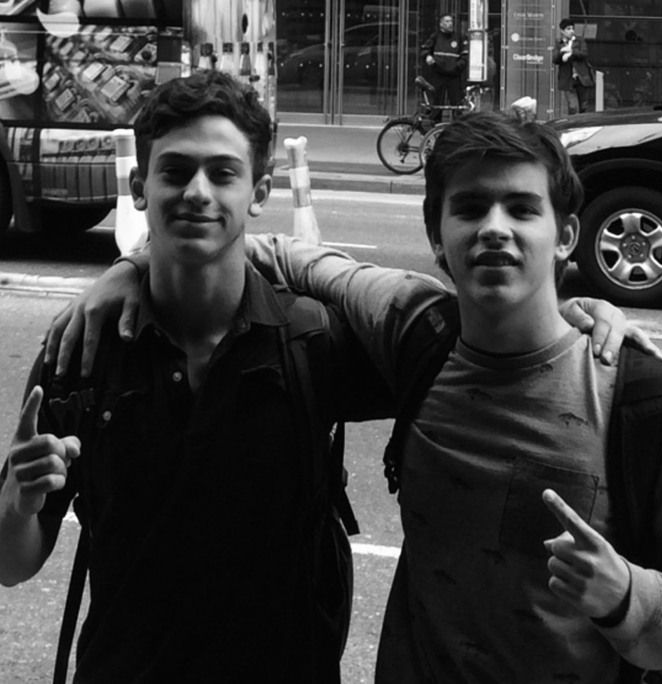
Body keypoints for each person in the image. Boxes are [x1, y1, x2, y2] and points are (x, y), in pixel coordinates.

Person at [43, 126, 662, 679]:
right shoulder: (415, 328)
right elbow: (274, 252)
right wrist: (134, 264)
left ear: (566, 237)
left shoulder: (639, 394)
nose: (495, 228)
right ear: (437, 238)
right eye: (471, 208)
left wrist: (626, 595)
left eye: (522, 209)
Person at [0, 69, 389, 682]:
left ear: (259, 191)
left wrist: (588, 313)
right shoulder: (80, 352)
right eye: (176, 171)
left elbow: (464, 355)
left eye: (223, 173)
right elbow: (12, 563)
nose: (198, 192)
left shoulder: (314, 339)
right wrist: (18, 506)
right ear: (139, 186)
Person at [420, 13, 468, 122]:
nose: (450, 24)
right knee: (437, 104)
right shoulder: (435, 36)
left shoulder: (459, 37)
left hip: (454, 76)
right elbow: (424, 49)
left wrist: (457, 67)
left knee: (456, 105)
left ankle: (457, 130)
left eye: (451, 21)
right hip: (438, 75)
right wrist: (428, 56)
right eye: (447, 21)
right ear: (441, 24)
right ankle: (434, 129)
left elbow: (465, 56)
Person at [552, 18, 594, 115]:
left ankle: (582, 125)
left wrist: (571, 52)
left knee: (583, 106)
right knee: (573, 107)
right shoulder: (559, 43)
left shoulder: (579, 40)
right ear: (562, 31)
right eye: (568, 29)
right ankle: (575, 126)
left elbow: (584, 53)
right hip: (568, 79)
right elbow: (554, 59)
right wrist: (562, 54)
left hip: (581, 78)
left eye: (572, 28)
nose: (571, 31)